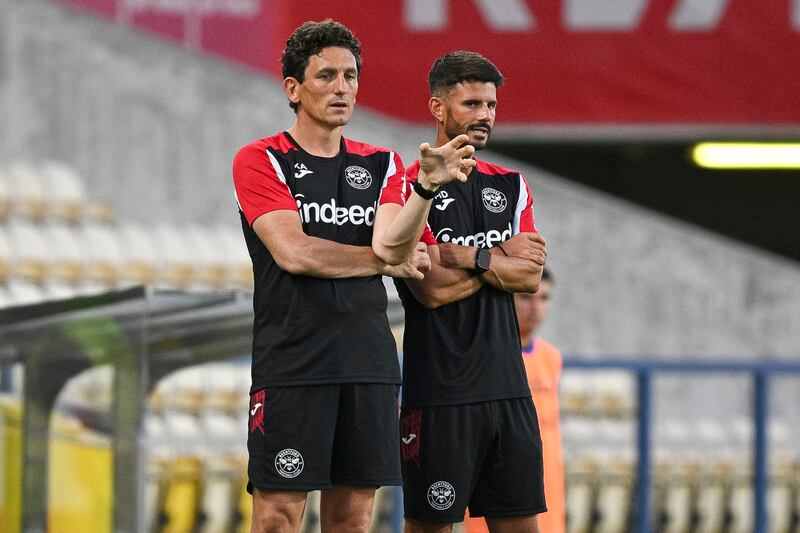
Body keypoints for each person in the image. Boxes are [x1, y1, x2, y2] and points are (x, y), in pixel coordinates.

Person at [232, 21, 474, 533]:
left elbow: (403, 247)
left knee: (353, 519)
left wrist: (425, 190)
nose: (342, 87)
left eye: (350, 76)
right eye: (326, 76)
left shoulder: (384, 163)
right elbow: (295, 252)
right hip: (293, 363)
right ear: (293, 89)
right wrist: (385, 259)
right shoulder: (261, 158)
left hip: (369, 363)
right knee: (277, 516)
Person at [395, 51, 549, 533]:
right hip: (440, 395)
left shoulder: (510, 185)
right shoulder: (407, 185)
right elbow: (432, 291)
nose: (485, 115)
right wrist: (503, 253)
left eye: (491, 105)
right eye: (472, 104)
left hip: (509, 392)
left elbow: (529, 279)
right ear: (438, 108)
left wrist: (475, 255)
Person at [464, 268, 565, 533]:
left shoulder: (551, 357)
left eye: (544, 298)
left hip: (547, 480)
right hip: (499, 477)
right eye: (526, 297)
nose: (536, 307)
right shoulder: (485, 355)